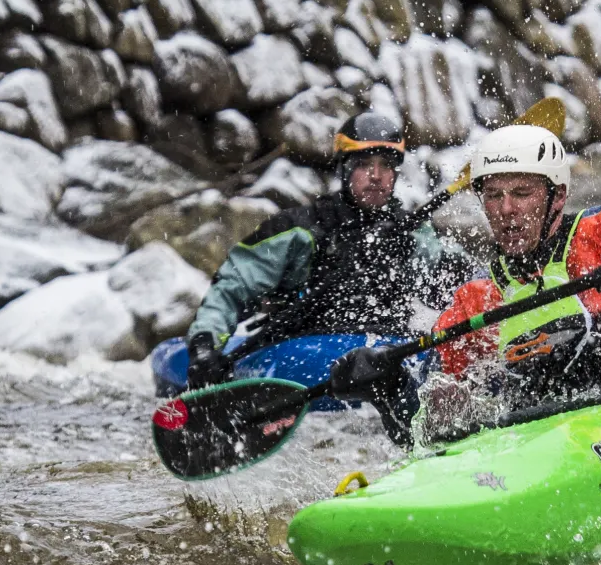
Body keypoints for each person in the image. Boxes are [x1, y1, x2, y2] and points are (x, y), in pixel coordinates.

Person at [329, 125, 601, 426]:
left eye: (521, 193)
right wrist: (388, 388)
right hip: (560, 442)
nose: (506, 210)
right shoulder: (476, 303)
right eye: (493, 195)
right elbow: (424, 426)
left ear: (558, 196)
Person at [183, 112, 466, 390]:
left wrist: (417, 257)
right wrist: (204, 347)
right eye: (364, 165)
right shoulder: (299, 229)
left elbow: (452, 287)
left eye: (386, 165)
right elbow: (233, 287)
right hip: (306, 350)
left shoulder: (412, 233)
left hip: (385, 351)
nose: (376, 176)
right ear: (344, 168)